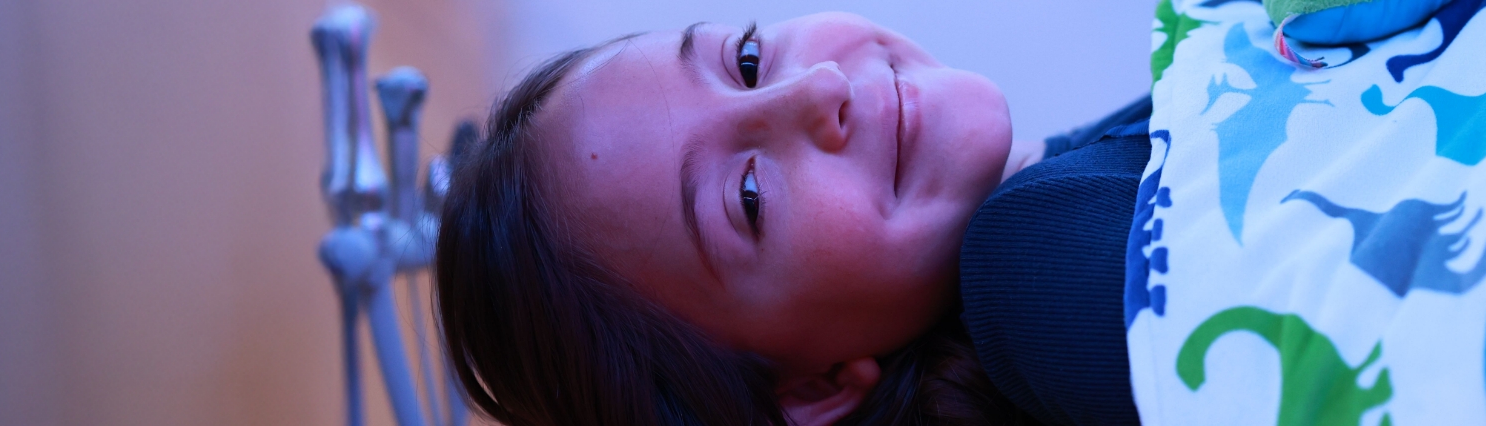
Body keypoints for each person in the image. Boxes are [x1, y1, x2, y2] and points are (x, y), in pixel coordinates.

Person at [436, 11, 1141, 425]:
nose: (819, 88)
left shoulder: (1082, 173)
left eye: (747, 62)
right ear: (814, 389)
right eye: (748, 197)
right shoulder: (1032, 263)